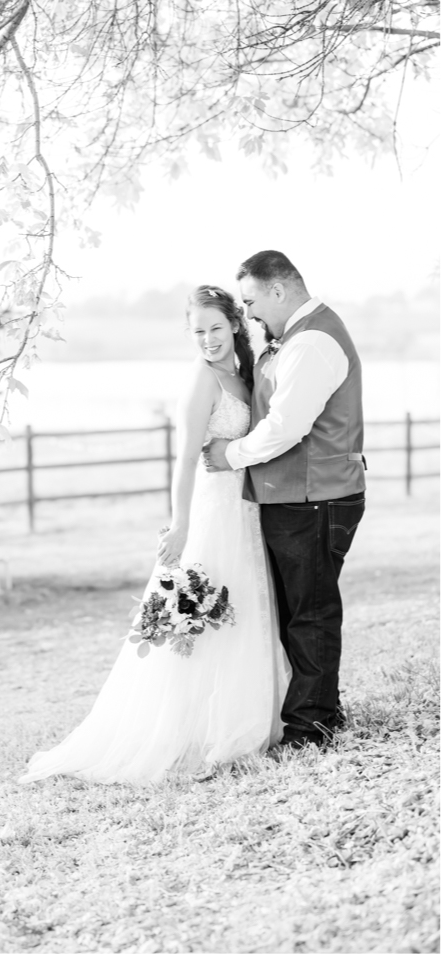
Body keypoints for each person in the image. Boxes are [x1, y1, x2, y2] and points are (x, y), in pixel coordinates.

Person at [19, 284, 289, 784]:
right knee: (204, 617)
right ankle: (188, 732)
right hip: (213, 511)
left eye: (215, 328)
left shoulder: (242, 374)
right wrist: (180, 525)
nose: (207, 339)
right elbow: (185, 460)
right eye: (197, 331)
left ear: (234, 324)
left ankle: (239, 719)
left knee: (244, 610)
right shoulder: (202, 379)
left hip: (246, 510)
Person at [202, 251, 364, 749]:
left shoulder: (312, 342)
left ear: (278, 290)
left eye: (251, 302)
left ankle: (310, 728)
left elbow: (286, 427)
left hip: (314, 497)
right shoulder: (296, 338)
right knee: (298, 611)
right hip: (299, 497)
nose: (249, 313)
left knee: (309, 613)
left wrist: (231, 455)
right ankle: (322, 712)